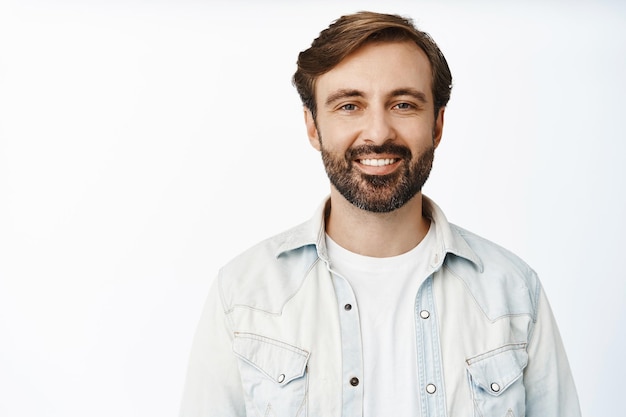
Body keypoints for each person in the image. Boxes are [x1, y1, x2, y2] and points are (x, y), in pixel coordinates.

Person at [179, 11, 581, 417]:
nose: (378, 133)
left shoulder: (512, 291)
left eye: (403, 104)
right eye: (349, 105)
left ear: (437, 124)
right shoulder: (245, 294)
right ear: (313, 127)